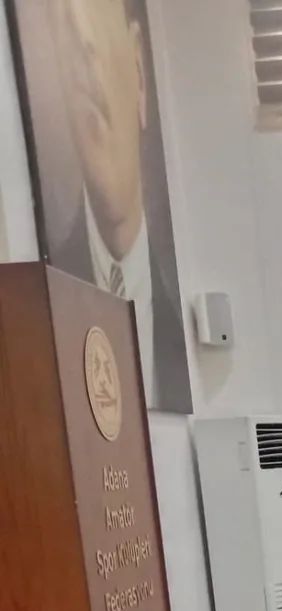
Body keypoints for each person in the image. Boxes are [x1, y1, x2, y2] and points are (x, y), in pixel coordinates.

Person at [47, 0, 189, 412]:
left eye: (96, 17)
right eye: (65, 24)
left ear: (139, 71)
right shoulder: (45, 314)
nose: (84, 45)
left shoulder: (176, 323)